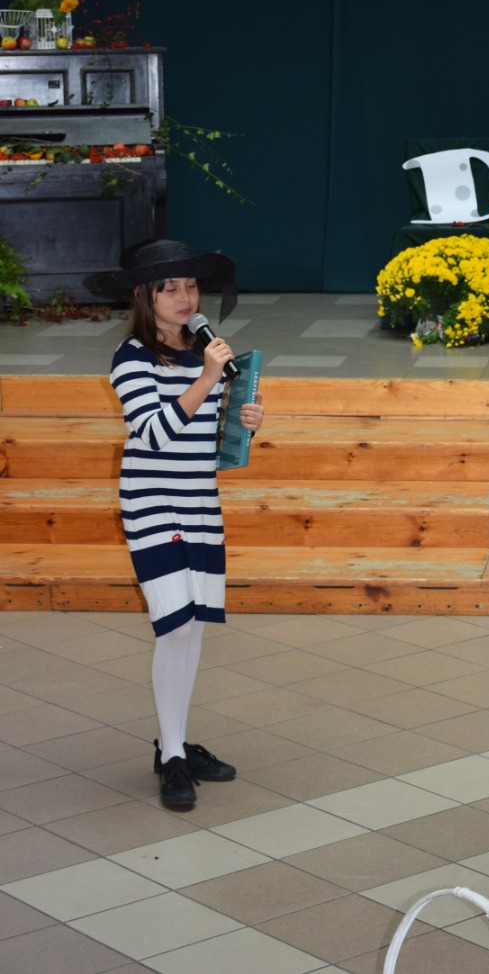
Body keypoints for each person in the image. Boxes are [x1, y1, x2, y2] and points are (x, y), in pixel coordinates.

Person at [90, 239, 264, 810]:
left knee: (194, 627)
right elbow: (155, 433)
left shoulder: (203, 353)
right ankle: (170, 758)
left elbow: (207, 439)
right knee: (176, 628)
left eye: (191, 286)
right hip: (151, 501)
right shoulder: (131, 357)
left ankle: (176, 742)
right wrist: (209, 379)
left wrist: (244, 421)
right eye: (170, 288)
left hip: (199, 501)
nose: (185, 297)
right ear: (145, 296)